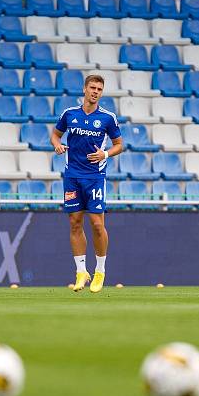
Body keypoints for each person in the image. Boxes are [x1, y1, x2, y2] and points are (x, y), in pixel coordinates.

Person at [51, 75, 123, 293]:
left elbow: (119, 144)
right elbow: (55, 135)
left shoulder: (108, 118)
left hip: (94, 177)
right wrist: (57, 145)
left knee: (97, 225)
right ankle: (81, 271)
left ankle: (100, 271)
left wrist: (105, 154)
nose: (95, 92)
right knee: (75, 223)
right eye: (92, 87)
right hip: (72, 175)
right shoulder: (69, 114)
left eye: (99, 89)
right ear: (84, 89)